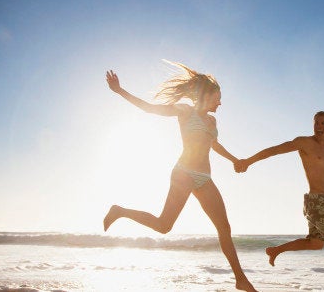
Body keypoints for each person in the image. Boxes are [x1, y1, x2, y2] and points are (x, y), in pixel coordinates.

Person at [102, 62, 257, 292]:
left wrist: (234, 159)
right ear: (207, 94)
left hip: (205, 177)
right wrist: (120, 90)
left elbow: (214, 145)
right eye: (218, 97)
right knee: (164, 226)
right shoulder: (185, 111)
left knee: (224, 228)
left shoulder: (212, 121)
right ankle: (120, 211)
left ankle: (240, 279)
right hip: (184, 172)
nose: (220, 102)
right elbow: (149, 108)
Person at [235, 111, 324, 292]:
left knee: (315, 243)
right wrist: (248, 161)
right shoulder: (304, 143)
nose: (319, 126)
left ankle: (276, 250)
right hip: (317, 203)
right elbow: (274, 150)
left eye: (323, 123)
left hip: (322, 202)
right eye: (316, 123)